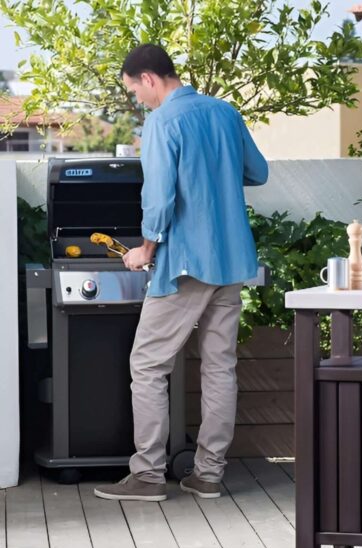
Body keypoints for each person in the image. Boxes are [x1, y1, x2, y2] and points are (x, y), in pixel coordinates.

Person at [94, 44, 268, 502]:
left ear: (149, 78)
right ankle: (208, 473)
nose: (137, 101)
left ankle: (148, 475)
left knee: (147, 364)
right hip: (230, 259)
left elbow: (160, 196)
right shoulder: (224, 112)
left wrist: (145, 248)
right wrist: (215, 173)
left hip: (186, 263)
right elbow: (258, 171)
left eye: (134, 91)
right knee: (219, 368)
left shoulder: (164, 121)